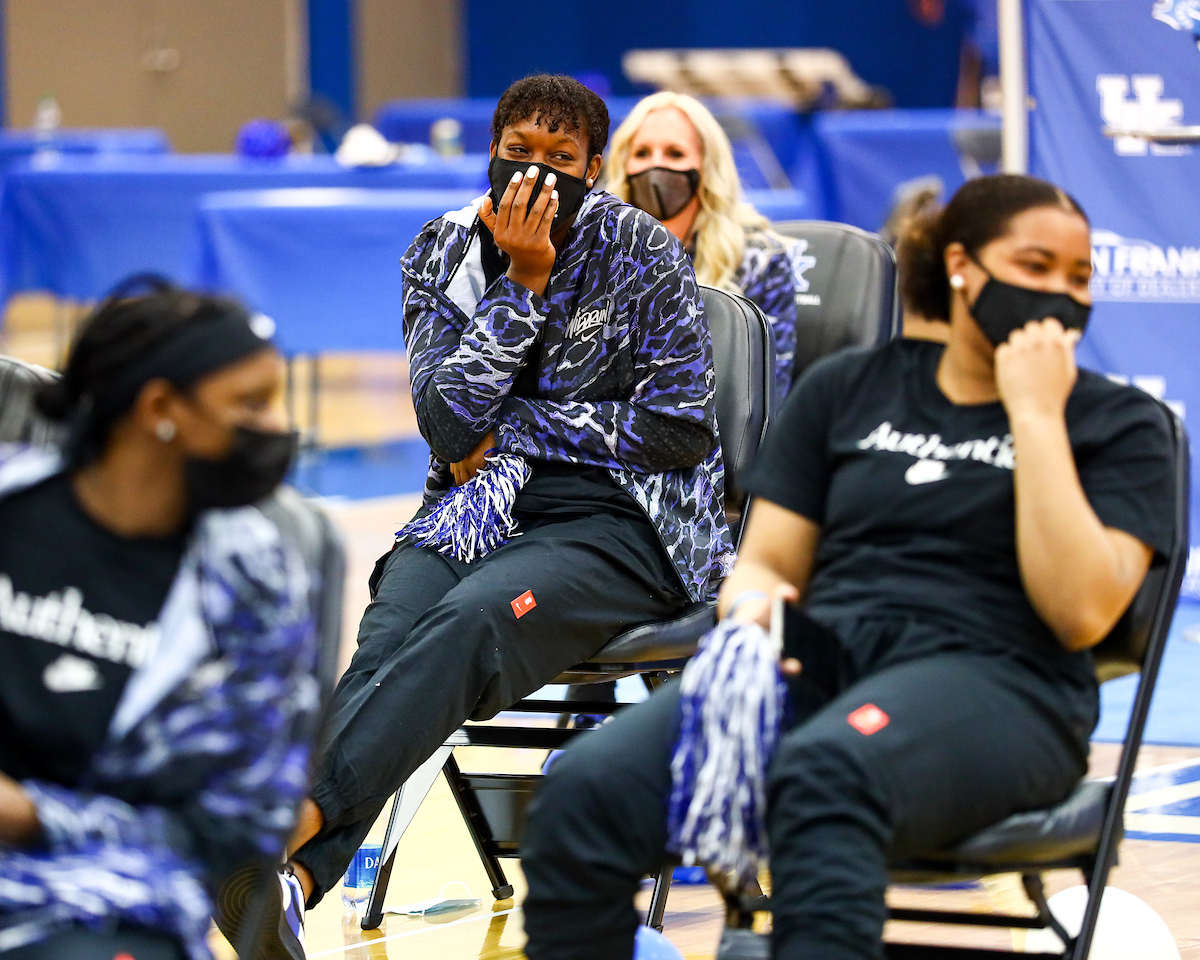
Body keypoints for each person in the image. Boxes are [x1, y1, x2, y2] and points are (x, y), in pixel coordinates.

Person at [519, 174, 1177, 960]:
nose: (1061, 294)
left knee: (825, 772)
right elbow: (764, 565)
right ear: (960, 267)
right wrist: (753, 613)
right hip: (826, 663)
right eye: (1035, 266)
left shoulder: (1118, 423)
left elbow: (1082, 613)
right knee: (586, 786)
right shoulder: (849, 390)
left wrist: (1034, 413)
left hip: (1005, 687)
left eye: (1079, 277)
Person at [256, 74, 730, 953]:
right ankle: (291, 881)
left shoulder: (643, 253)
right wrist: (522, 284)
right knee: (392, 629)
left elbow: (676, 428)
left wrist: (518, 426)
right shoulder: (441, 250)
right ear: (492, 153)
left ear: (594, 167)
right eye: (520, 152)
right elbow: (445, 426)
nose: (538, 172)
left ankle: (286, 828)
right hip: (477, 506)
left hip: (623, 520)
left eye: (561, 158)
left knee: (470, 620)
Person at [0, 280, 318, 960]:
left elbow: (234, 832)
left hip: (104, 902)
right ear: (160, 409)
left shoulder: (252, 579)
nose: (278, 428)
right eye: (252, 404)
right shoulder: (12, 504)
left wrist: (30, 817)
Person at [605, 92, 799, 400]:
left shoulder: (759, 260)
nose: (656, 166)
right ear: (623, 165)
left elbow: (766, 393)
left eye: (675, 154)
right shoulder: (598, 249)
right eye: (642, 153)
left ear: (707, 166)